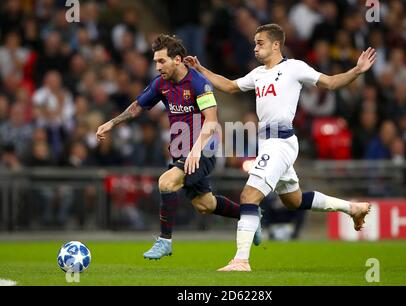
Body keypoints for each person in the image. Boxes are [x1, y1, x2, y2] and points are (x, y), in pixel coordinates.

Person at [185, 23, 374, 272]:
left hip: (280, 142)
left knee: (249, 196)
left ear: (276, 44)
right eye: (254, 43)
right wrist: (200, 70)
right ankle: (352, 208)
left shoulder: (294, 68)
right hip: (268, 142)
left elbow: (329, 83)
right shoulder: (258, 73)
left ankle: (241, 260)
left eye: (260, 43)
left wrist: (357, 71)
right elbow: (229, 86)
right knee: (293, 201)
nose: (255, 48)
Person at [96, 34, 261, 260]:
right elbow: (138, 106)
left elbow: (211, 121)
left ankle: (165, 241)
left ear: (177, 60)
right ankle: (251, 215)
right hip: (183, 150)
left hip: (205, 148)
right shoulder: (161, 84)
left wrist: (195, 150)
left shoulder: (198, 83)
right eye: (155, 61)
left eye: (161, 61)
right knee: (205, 204)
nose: (157, 66)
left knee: (166, 182)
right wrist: (111, 123)